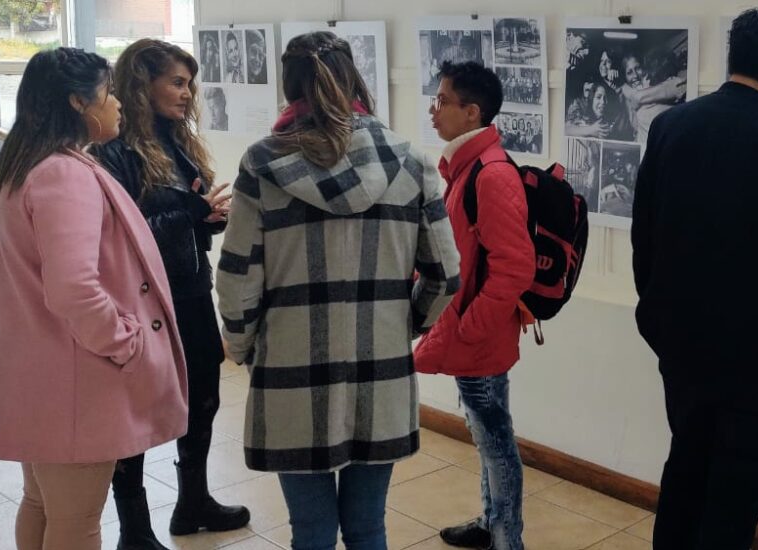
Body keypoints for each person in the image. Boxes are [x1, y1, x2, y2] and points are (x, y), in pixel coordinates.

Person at [215, 31, 461, 549]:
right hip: (382, 369)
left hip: (290, 368)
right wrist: (403, 323)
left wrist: (241, 347)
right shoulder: (411, 162)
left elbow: (238, 277)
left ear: (288, 85)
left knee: (310, 529)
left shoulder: (262, 165)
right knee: (369, 525)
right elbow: (446, 275)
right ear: (356, 78)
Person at [632, 7, 758, 548]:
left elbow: (644, 243)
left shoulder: (671, 126)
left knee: (685, 479)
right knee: (733, 505)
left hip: (684, 355)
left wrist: (657, 323)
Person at [0, 47, 189, 550]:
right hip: (73, 376)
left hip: (39, 367)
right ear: (78, 103)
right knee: (76, 522)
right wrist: (123, 341)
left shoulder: (25, 163)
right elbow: (74, 286)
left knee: (43, 505)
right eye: (108, 93)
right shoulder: (64, 174)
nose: (118, 103)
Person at [91, 39, 249, 548]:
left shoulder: (177, 141)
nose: (187, 94)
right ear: (143, 84)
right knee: (135, 409)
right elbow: (121, 235)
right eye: (176, 83)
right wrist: (189, 212)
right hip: (141, 299)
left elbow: (180, 219)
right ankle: (134, 530)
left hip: (189, 288)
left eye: (189, 85)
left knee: (203, 396)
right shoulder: (111, 149)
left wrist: (208, 220)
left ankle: (193, 502)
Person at [414, 60, 535, 550]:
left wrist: (469, 327)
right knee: (486, 434)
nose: (433, 109)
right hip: (470, 330)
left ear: (472, 113)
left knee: (496, 441)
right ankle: (491, 524)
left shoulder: (491, 174)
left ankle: (509, 539)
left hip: (478, 335)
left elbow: (514, 268)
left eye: (442, 100)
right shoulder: (468, 167)